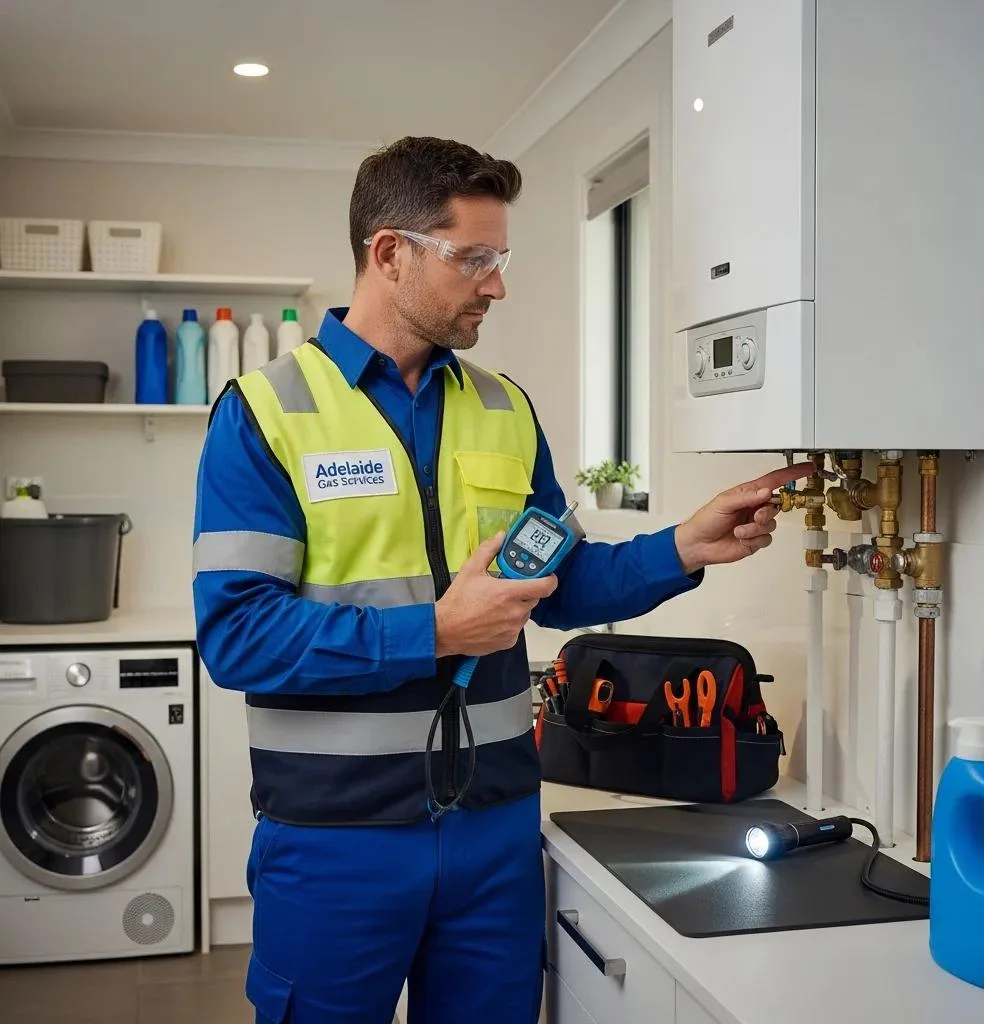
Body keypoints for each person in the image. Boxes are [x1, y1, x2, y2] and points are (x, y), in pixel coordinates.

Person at [191, 135, 813, 1024]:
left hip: (495, 833)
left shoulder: (504, 408)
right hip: (337, 842)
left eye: (500, 257)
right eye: (473, 258)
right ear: (390, 252)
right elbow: (238, 635)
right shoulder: (265, 415)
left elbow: (558, 583)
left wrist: (684, 546)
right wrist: (436, 631)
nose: (496, 283)